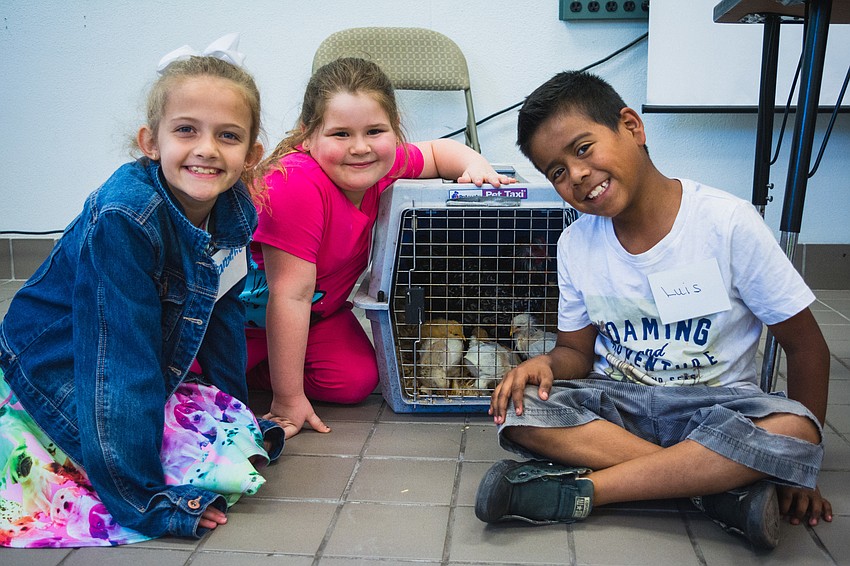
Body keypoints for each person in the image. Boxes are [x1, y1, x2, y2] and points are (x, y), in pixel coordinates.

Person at [475, 70, 833, 550]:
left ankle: (589, 490)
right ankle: (714, 489)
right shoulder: (575, 243)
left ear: (632, 126)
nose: (576, 175)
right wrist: (544, 364)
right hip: (618, 405)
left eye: (583, 149)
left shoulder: (727, 224)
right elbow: (575, 353)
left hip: (717, 408)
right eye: (556, 171)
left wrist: (801, 474)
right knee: (520, 415)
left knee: (796, 429)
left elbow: (806, 346)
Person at [0, 34, 284, 547]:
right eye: (186, 130)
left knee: (211, 443)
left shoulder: (234, 209)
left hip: (131, 355)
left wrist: (236, 413)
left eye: (227, 136)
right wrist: (144, 503)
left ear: (251, 153)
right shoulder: (124, 218)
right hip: (57, 356)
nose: (206, 150)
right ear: (151, 142)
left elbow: (221, 315)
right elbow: (118, 360)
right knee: (101, 466)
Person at [241, 57, 514, 439]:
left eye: (374, 131)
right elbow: (291, 295)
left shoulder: (381, 164)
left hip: (321, 315)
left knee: (356, 382)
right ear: (307, 136)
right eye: (340, 134)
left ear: (394, 131)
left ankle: (266, 370)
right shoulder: (295, 184)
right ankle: (261, 372)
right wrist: (288, 399)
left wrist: (476, 165)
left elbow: (437, 153)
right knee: (207, 379)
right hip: (253, 321)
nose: (360, 148)